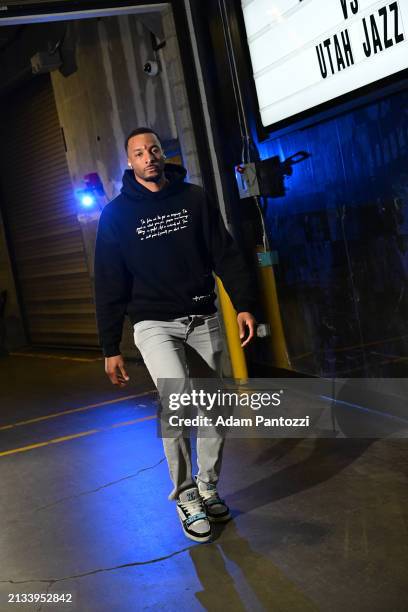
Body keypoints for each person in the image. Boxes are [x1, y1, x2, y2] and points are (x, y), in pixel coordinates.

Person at [94, 127, 257, 543]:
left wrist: (242, 304)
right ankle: (185, 495)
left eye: (153, 150)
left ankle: (207, 486)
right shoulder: (115, 216)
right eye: (138, 153)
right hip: (153, 323)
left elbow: (225, 252)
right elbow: (109, 283)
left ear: (162, 155)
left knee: (217, 407)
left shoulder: (194, 198)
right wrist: (110, 346)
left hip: (203, 315)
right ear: (129, 162)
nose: (148, 157)